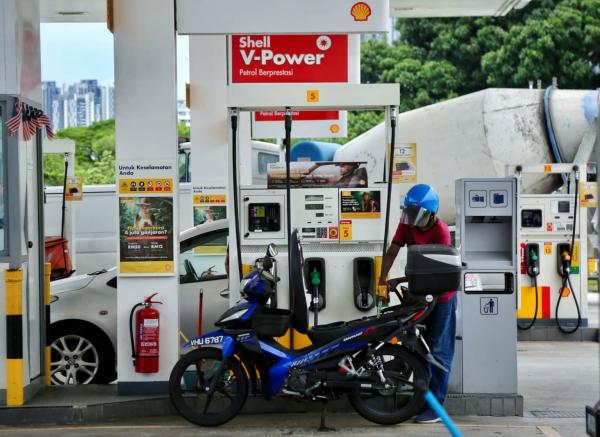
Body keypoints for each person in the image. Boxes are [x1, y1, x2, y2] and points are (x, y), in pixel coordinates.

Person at [378, 184, 456, 424]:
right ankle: (420, 401)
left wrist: (403, 281)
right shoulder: (407, 224)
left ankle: (436, 407)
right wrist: (382, 279)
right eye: (409, 212)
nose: (411, 218)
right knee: (417, 348)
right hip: (421, 291)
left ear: (430, 213)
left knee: (438, 350)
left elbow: (436, 273)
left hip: (441, 296)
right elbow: (393, 250)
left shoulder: (441, 232)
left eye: (416, 213)